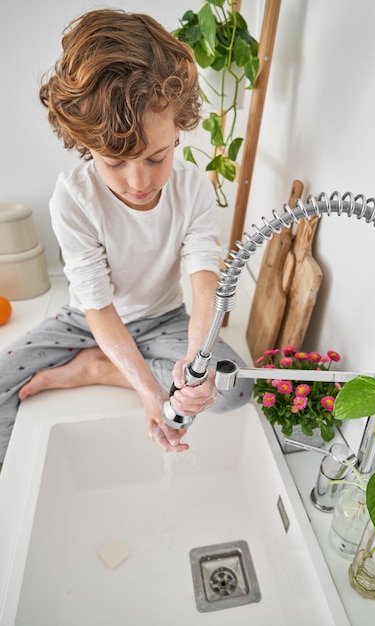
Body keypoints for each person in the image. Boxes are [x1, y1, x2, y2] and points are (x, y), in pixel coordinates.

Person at [0, 8, 252, 466]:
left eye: (156, 157)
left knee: (236, 388)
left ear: (178, 127)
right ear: (85, 143)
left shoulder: (193, 188)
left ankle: (101, 368)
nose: (139, 181)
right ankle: (102, 363)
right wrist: (150, 389)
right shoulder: (73, 199)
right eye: (115, 163)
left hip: (164, 319)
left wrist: (197, 365)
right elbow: (96, 305)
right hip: (85, 321)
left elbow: (203, 283)